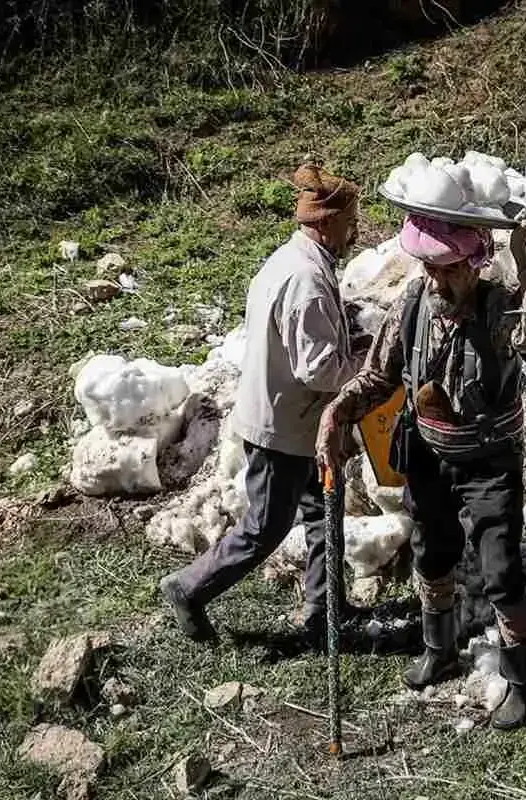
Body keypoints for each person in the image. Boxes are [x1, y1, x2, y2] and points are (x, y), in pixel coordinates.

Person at [316, 209, 526, 730]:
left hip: (488, 463)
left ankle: (522, 682)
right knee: (431, 551)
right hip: (428, 453)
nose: (435, 278)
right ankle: (439, 648)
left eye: (447, 268)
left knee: (500, 570)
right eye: (428, 266)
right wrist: (338, 411)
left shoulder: (498, 308)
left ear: (473, 263)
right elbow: (380, 375)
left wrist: (521, 258)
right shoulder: (414, 302)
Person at [159, 162, 370, 647]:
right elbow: (316, 369)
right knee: (263, 529)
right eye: (349, 222)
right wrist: (361, 364)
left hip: (290, 419)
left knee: (324, 511)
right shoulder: (308, 281)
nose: (354, 232)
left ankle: (325, 608)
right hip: (283, 428)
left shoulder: (290, 261)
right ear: (325, 222)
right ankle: (188, 588)